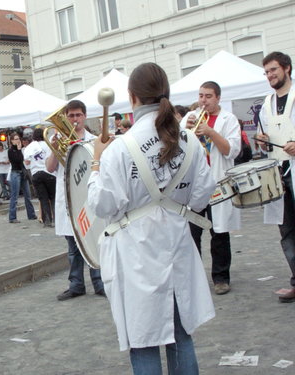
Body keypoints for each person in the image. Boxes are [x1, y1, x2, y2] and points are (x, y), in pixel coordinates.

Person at [87, 62, 216, 374]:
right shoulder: (191, 141)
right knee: (181, 335)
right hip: (177, 244)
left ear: (132, 97)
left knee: (143, 341)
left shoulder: (119, 150)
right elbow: (201, 197)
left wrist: (95, 163)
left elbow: (103, 204)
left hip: (137, 254)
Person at [180, 81, 241, 295]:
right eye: (201, 96)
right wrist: (187, 133)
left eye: (208, 96)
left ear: (218, 98)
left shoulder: (229, 119)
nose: (203, 100)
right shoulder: (190, 119)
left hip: (218, 183)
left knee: (219, 233)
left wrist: (210, 132)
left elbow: (230, 151)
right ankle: (193, 278)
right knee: (191, 234)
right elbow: (179, 150)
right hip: (195, 185)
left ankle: (221, 278)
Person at [46, 100, 105, 300]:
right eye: (70, 116)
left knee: (94, 240)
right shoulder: (59, 139)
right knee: (73, 247)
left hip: (88, 195)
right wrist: (54, 149)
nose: (74, 119)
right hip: (69, 198)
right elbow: (50, 168)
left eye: (78, 115)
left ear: (84, 116)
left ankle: (100, 283)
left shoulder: (93, 139)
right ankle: (76, 285)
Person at [256, 51, 295, 303]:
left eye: (274, 70)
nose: (270, 75)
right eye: (267, 72)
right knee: (287, 230)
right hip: (279, 175)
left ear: (287, 69)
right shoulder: (266, 104)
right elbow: (264, 142)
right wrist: (262, 142)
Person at [24, 127, 56, 227]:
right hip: (49, 173)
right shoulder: (48, 144)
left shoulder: (30, 146)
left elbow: (27, 162)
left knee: (43, 198)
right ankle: (56, 219)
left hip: (36, 174)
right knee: (54, 197)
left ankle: (47, 221)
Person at [7, 132, 37, 223]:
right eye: (16, 139)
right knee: (14, 196)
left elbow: (24, 161)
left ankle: (31, 214)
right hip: (15, 173)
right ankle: (12, 217)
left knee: (27, 195)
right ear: (12, 141)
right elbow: (17, 160)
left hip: (23, 172)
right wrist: (19, 150)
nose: (18, 141)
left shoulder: (23, 149)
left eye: (18, 139)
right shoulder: (11, 151)